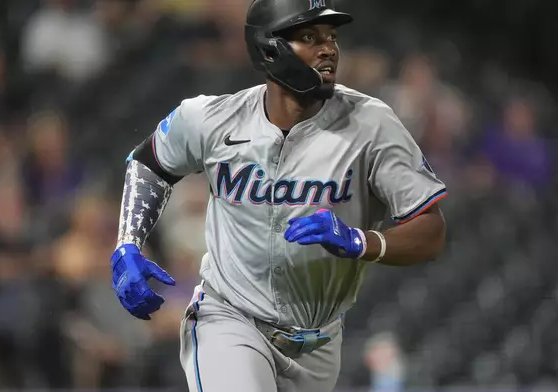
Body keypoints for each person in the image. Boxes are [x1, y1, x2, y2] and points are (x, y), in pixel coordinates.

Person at [110, 0, 448, 391]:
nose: (329, 49)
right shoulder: (213, 119)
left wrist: (363, 241)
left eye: (331, 37)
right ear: (269, 47)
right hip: (230, 319)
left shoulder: (372, 125)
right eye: (309, 36)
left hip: (318, 344)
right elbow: (150, 162)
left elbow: (432, 231)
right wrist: (128, 243)